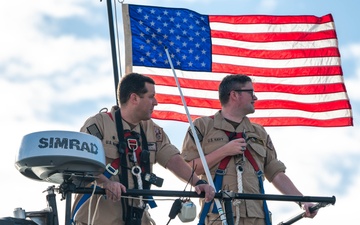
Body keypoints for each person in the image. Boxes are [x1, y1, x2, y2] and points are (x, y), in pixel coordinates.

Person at [71, 72, 215, 225]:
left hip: (138, 218)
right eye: (151, 96)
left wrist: (198, 184)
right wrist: (105, 182)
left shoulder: (152, 130)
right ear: (134, 98)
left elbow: (173, 159)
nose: (156, 102)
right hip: (98, 219)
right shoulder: (98, 125)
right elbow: (82, 163)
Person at [181, 74, 318, 225]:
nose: (255, 98)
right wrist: (224, 151)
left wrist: (302, 201)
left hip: (257, 218)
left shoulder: (259, 132)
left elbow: (276, 173)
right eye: (250, 92)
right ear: (234, 95)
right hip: (219, 215)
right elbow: (187, 169)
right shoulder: (203, 127)